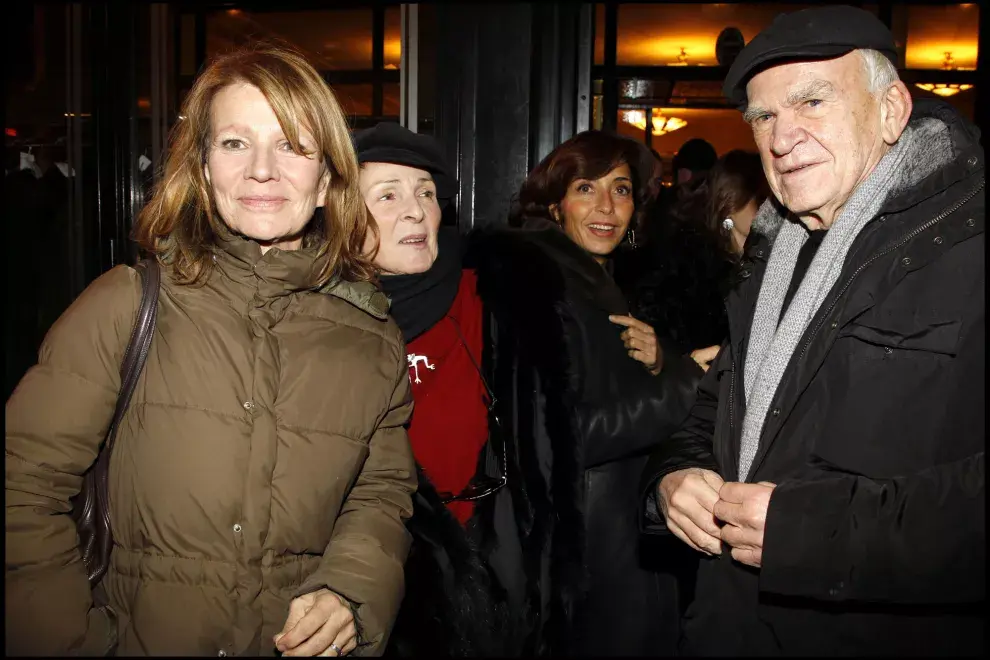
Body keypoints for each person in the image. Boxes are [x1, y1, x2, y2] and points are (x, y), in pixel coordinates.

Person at [5, 46, 417, 657]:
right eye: (234, 143)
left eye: (292, 145)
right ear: (201, 170)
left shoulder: (371, 337)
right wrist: (69, 642)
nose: (261, 170)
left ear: (327, 179)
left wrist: (352, 592)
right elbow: (21, 487)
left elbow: (381, 492)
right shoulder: (124, 304)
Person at [641, 5, 985, 656]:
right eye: (764, 116)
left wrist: (809, 534)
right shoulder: (774, 254)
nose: (781, 135)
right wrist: (675, 479)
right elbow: (714, 412)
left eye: (813, 102)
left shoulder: (967, 247)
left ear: (891, 110)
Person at [468, 130, 703, 656]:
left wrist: (661, 360)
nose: (606, 206)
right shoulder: (539, 285)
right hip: (586, 551)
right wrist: (687, 380)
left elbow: (601, 383)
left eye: (620, 190)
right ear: (554, 204)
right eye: (584, 188)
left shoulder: (590, 276)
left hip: (614, 538)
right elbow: (564, 433)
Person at [353, 122, 509, 657]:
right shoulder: (314, 320)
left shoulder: (492, 300)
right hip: (368, 594)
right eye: (388, 195)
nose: (416, 210)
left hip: (484, 581)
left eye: (425, 192)